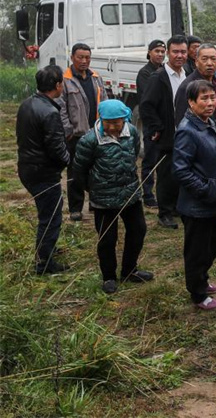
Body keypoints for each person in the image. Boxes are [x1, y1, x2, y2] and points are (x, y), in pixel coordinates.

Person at [73, 100, 152, 294]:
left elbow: (133, 155)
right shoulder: (90, 140)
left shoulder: (132, 131)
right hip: (103, 199)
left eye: (117, 122)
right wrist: (93, 188)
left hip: (130, 194)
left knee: (138, 230)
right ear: (101, 119)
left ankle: (129, 270)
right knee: (107, 239)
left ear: (124, 120)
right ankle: (108, 276)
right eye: (108, 122)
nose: (112, 127)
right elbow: (79, 170)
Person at [173, 80, 216, 311]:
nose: (210, 103)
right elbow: (181, 170)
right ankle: (197, 293)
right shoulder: (188, 131)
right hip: (198, 204)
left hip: (212, 200)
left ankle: (202, 280)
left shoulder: (208, 123)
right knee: (197, 250)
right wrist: (206, 189)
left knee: (213, 243)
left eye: (212, 98)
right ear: (191, 102)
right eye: (204, 99)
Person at [16, 65, 70, 275]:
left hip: (27, 167)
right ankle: (44, 262)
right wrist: (68, 160)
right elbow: (56, 148)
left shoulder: (27, 103)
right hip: (43, 172)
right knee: (51, 216)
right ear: (57, 86)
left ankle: (47, 248)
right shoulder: (49, 112)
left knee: (46, 212)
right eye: (62, 83)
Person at [139, 35, 188, 229]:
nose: (179, 55)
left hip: (187, 134)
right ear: (168, 53)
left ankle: (177, 207)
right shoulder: (158, 77)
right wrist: (158, 128)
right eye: (175, 51)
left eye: (183, 52)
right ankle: (164, 213)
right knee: (166, 174)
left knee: (182, 173)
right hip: (168, 135)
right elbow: (146, 106)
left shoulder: (188, 73)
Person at [60, 42, 108, 221]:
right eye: (80, 57)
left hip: (96, 132)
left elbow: (104, 101)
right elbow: (61, 109)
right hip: (76, 135)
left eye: (87, 57)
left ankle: (95, 202)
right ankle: (75, 208)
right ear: (72, 57)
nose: (84, 61)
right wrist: (68, 130)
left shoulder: (96, 78)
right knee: (75, 172)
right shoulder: (65, 80)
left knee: (97, 169)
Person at [174, 43, 216, 155]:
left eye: (213, 59)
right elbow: (181, 123)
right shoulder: (187, 87)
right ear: (196, 62)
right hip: (201, 151)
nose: (209, 63)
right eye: (204, 59)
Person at [136, 39, 166, 208]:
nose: (160, 54)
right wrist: (154, 126)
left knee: (164, 161)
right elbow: (148, 102)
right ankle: (147, 194)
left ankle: (163, 193)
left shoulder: (165, 70)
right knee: (150, 160)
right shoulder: (145, 73)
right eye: (157, 51)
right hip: (152, 123)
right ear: (149, 53)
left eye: (162, 51)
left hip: (165, 123)